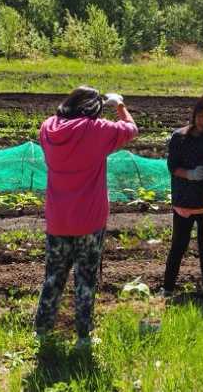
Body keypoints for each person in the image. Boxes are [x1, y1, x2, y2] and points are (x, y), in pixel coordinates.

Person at [34, 86, 138, 348]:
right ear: (93, 108)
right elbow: (130, 129)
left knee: (53, 276)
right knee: (86, 278)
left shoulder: (47, 128)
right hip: (89, 220)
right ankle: (83, 336)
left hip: (58, 218)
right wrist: (120, 105)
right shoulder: (97, 129)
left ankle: (42, 331)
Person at [162, 92, 203, 296]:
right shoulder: (180, 137)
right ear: (195, 113)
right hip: (184, 202)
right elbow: (172, 167)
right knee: (178, 246)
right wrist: (190, 174)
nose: (202, 121)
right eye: (200, 116)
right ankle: (167, 288)